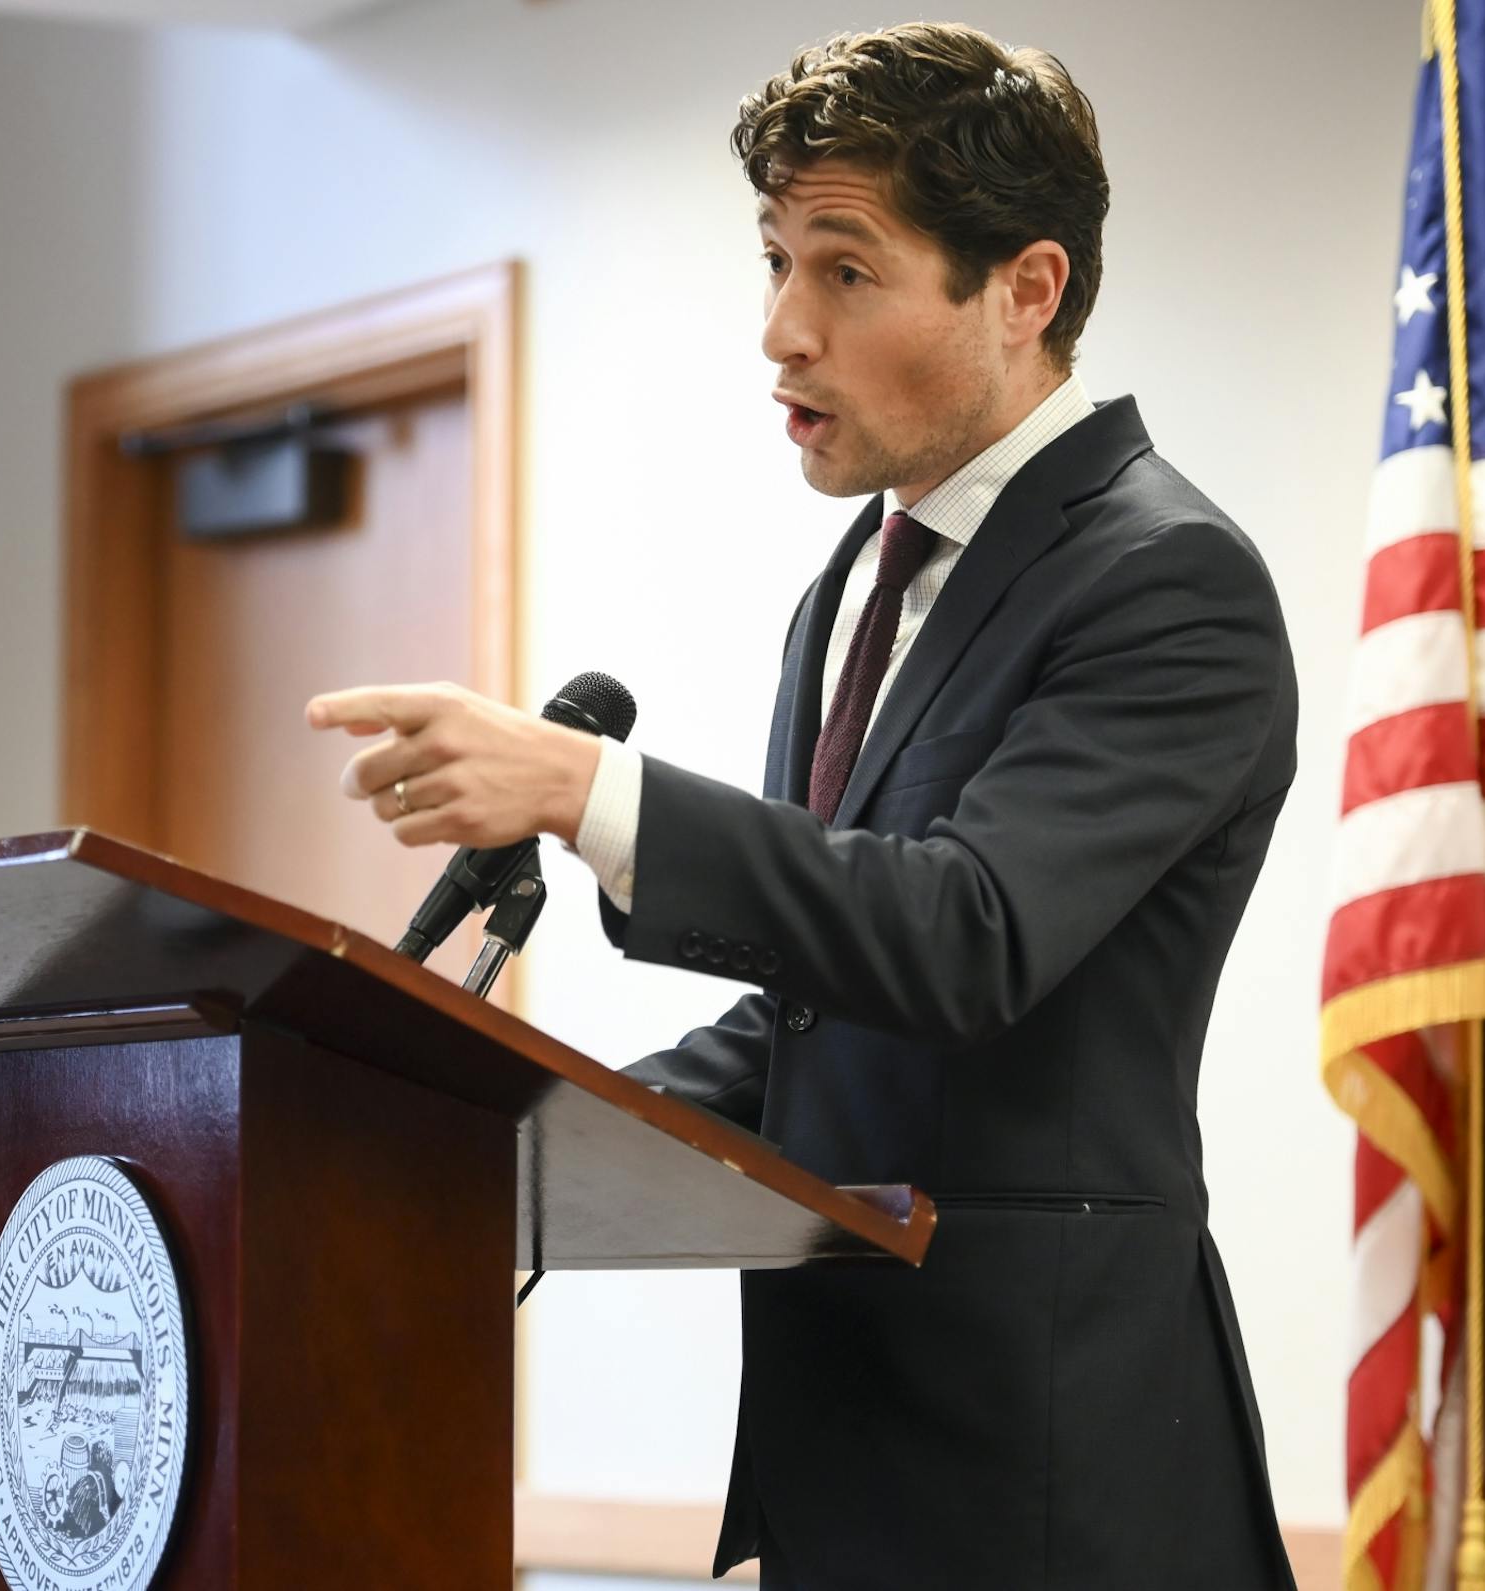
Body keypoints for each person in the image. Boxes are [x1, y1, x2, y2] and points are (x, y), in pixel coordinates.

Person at [308, 21, 1296, 1589]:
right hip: (842, 1475)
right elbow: (818, 1028)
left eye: (845, 271)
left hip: (1057, 1485)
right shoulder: (855, 584)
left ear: (1026, 291)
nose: (780, 330)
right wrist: (479, 1163)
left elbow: (965, 939)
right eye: (773, 260)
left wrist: (587, 790)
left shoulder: (1167, 582)